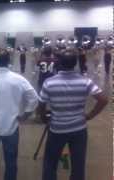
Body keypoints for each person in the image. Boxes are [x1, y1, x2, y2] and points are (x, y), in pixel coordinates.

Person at [39, 51, 108, 180]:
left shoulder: (49, 82)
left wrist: (44, 118)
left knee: (50, 162)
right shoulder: (85, 81)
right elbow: (103, 100)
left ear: (59, 63)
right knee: (78, 165)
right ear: (75, 64)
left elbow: (41, 104)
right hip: (78, 129)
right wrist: (89, 116)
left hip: (57, 129)